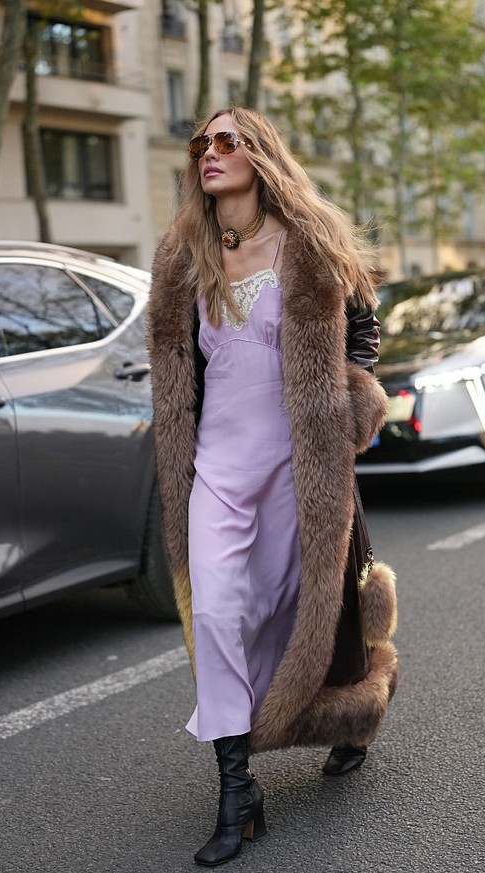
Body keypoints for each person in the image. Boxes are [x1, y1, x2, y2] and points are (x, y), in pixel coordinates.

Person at [147, 106, 398, 867]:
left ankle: (350, 715)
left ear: (259, 154)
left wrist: (355, 393)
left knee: (309, 608)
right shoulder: (184, 256)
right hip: (218, 470)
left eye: (227, 141)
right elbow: (175, 366)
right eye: (202, 144)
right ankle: (237, 791)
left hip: (299, 468)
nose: (210, 154)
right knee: (218, 613)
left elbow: (363, 326)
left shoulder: (307, 244)